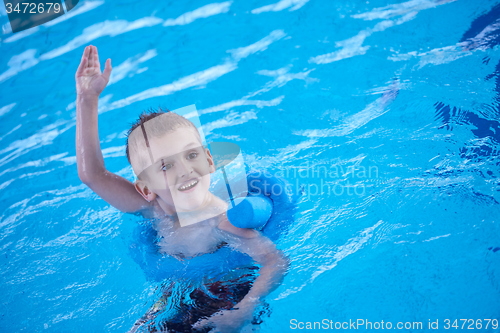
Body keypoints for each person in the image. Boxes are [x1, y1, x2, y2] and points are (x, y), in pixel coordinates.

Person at [75, 45, 289, 332]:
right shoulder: (153, 209)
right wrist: (87, 99)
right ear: (146, 188)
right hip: (170, 300)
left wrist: (245, 308)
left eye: (191, 155)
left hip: (226, 297)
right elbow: (94, 176)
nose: (185, 170)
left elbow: (275, 262)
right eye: (165, 166)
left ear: (210, 160)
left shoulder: (223, 220)